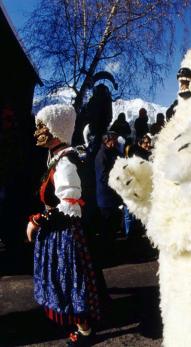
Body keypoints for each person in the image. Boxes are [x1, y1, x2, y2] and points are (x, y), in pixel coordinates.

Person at [27, 104, 100, 346]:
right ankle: (80, 327)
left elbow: (69, 204)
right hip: (59, 233)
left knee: (70, 279)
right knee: (65, 280)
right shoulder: (57, 158)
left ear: (56, 129)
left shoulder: (66, 162)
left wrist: (38, 221)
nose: (38, 132)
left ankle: (85, 331)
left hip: (66, 235)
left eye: (42, 126)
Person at [95, 131, 123, 260]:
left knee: (113, 226)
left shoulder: (113, 152)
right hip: (106, 197)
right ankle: (107, 253)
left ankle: (113, 250)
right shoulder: (102, 155)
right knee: (107, 227)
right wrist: (117, 181)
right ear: (107, 141)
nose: (116, 142)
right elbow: (103, 177)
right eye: (114, 140)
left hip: (113, 196)